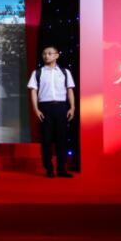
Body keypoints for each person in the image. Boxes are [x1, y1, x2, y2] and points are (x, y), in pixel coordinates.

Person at [28, 45, 76, 178]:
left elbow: (70, 90)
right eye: (44, 53)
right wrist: (36, 109)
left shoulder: (65, 72)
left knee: (62, 139)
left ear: (56, 55)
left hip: (61, 107)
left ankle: (62, 169)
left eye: (49, 53)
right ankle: (49, 169)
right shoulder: (37, 72)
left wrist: (72, 107)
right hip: (45, 108)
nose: (46, 56)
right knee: (46, 140)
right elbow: (33, 91)